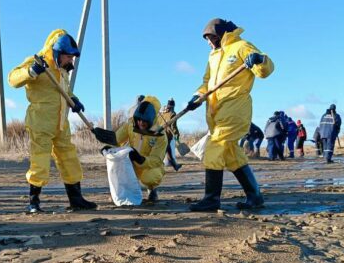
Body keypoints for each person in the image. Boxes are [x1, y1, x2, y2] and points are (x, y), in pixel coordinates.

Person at [183, 18, 273, 211]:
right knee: (233, 156)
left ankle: (211, 198)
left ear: (220, 34)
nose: (208, 42)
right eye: (206, 39)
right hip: (216, 112)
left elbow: (265, 70)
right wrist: (196, 97)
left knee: (214, 149)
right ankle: (255, 196)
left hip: (235, 109)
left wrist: (259, 59)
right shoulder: (213, 56)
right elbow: (207, 82)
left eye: (211, 37)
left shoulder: (241, 46)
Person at [9, 29, 97, 213]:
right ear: (58, 52)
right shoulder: (38, 62)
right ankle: (34, 202)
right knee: (40, 161)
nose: (71, 61)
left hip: (61, 123)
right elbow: (13, 79)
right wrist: (31, 71)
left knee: (69, 158)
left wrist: (73, 100)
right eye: (69, 57)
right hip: (40, 122)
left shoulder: (62, 71)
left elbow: (62, 91)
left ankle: (76, 199)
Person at [113, 96, 167, 202]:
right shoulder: (130, 125)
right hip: (131, 163)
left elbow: (156, 159)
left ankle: (152, 189)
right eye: (139, 119)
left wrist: (141, 159)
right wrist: (107, 144)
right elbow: (116, 139)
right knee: (117, 168)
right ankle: (127, 192)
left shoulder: (160, 135)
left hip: (149, 166)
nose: (141, 123)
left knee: (149, 178)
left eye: (145, 120)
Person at [159, 99, 182, 171]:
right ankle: (156, 167)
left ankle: (175, 165)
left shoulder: (163, 113)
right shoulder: (172, 113)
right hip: (167, 135)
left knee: (168, 151)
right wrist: (177, 134)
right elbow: (173, 126)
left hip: (160, 134)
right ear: (173, 106)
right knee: (163, 152)